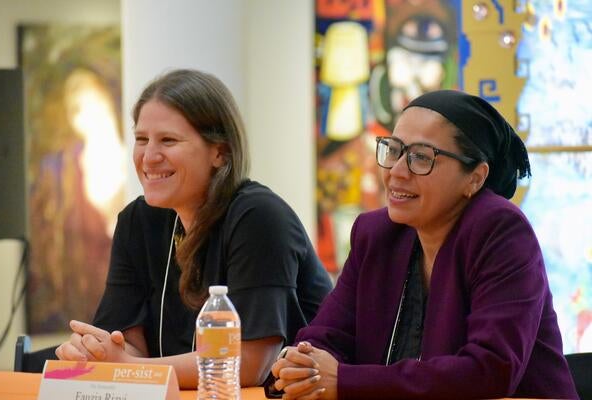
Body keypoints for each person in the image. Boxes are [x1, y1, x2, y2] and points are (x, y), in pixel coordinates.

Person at [270, 90, 578, 399]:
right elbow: (326, 336)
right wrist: (303, 365)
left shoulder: (500, 231)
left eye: (421, 157)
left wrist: (346, 381)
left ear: (475, 178)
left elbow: (490, 370)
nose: (396, 172)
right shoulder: (375, 233)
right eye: (393, 150)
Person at [55, 69, 333, 389]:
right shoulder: (137, 221)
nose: (149, 156)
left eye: (168, 140)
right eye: (141, 139)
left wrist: (128, 368)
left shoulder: (259, 216)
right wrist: (98, 353)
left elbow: (250, 362)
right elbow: (127, 343)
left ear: (220, 152)